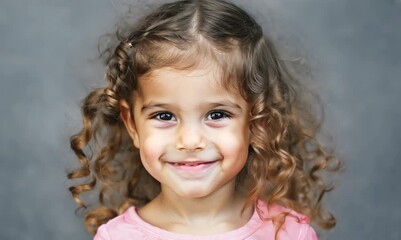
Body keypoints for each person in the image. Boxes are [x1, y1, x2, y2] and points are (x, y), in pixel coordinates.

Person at [68, 0, 340, 239]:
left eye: (217, 114)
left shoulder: (289, 234)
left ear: (258, 123)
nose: (190, 141)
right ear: (132, 124)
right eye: (164, 116)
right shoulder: (117, 238)